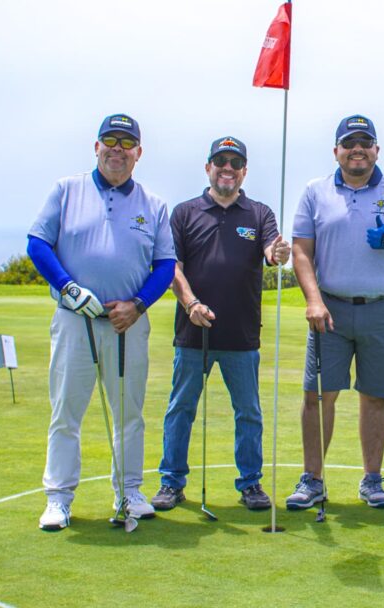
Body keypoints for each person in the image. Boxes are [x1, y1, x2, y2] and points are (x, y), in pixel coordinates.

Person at [28, 113, 176, 531]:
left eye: (127, 143)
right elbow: (38, 243)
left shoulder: (153, 204)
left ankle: (128, 490)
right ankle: (58, 498)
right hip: (76, 320)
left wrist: (139, 304)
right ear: (96, 147)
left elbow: (165, 265)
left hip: (128, 323)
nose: (117, 149)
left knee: (129, 413)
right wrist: (69, 287)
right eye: (109, 141)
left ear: (138, 153)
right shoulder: (67, 190)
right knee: (66, 412)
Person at [286, 114, 384, 510]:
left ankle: (372, 479)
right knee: (318, 395)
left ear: (376, 150)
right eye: (349, 142)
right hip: (329, 309)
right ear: (336, 150)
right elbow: (302, 250)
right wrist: (313, 299)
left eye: (365, 142)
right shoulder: (315, 192)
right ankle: (313, 479)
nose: (357, 149)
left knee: (376, 396)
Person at [150, 136, 290, 512]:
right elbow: (171, 266)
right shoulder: (184, 213)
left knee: (248, 412)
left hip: (242, 334)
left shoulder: (259, 213)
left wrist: (277, 253)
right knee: (181, 409)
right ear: (208, 167)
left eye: (235, 162)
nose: (227, 168)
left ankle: (250, 484)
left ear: (244, 171)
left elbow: (270, 253)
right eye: (220, 161)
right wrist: (190, 302)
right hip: (194, 331)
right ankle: (171, 482)